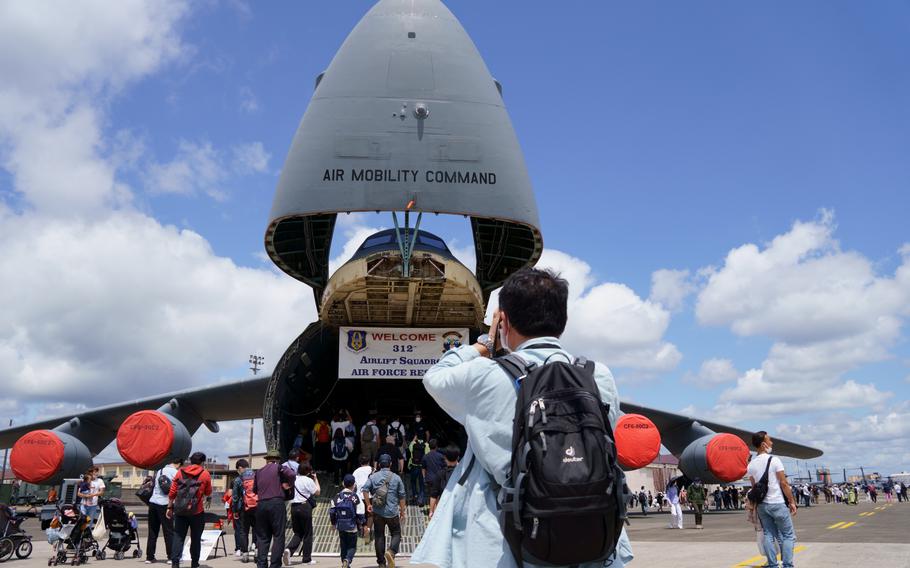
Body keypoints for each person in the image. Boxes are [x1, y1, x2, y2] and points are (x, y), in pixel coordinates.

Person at [412, 267, 633, 567]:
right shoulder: (597, 376)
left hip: (506, 546)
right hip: (594, 540)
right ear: (562, 321)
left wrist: (485, 344)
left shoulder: (485, 376)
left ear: (503, 320)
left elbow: (435, 377)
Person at [748, 431, 798, 568]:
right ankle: (787, 565)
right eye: (770, 440)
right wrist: (792, 501)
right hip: (777, 502)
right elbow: (784, 483)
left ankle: (773, 565)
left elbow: (754, 488)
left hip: (762, 506)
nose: (772, 443)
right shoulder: (774, 460)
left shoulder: (751, 465)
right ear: (763, 444)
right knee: (788, 535)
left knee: (768, 535)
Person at [166, 452, 213, 568]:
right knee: (196, 538)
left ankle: (175, 563)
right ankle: (194, 563)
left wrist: (169, 507)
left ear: (190, 461)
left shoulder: (180, 472)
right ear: (202, 462)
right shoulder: (205, 474)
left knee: (178, 537)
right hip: (197, 511)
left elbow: (172, 492)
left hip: (180, 510)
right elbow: (208, 492)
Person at [362, 454, 407, 568]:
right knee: (396, 533)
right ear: (391, 464)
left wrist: (368, 504)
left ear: (380, 465)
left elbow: (365, 489)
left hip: (378, 512)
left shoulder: (373, 477)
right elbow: (402, 496)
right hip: (392, 512)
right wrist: (402, 511)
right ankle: (391, 552)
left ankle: (381, 563)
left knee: (379, 536)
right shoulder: (396, 478)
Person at [253, 450, 296, 568]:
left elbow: (255, 490)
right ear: (277, 459)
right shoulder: (279, 468)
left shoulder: (259, 471)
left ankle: (261, 564)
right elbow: (292, 475)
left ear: (267, 459)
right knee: (278, 535)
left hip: (261, 504)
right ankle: (275, 564)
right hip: (276, 503)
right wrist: (289, 485)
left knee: (262, 537)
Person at [284, 463, 320, 566]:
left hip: (294, 507)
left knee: (298, 533)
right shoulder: (308, 480)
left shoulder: (293, 479)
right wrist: (315, 479)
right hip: (305, 507)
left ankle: (289, 550)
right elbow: (317, 492)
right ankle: (306, 559)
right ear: (308, 471)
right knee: (308, 534)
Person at [146, 460, 179, 564]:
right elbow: (177, 489)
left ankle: (149, 557)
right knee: (169, 531)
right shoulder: (175, 472)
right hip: (165, 504)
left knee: (152, 531)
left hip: (153, 503)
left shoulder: (159, 471)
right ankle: (170, 557)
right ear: (179, 464)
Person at [330, 474, 366, 568]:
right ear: (354, 485)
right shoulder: (356, 497)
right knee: (352, 546)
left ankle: (344, 563)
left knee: (343, 546)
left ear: (343, 484)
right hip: (352, 526)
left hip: (341, 526)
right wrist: (362, 524)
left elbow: (332, 512)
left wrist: (333, 524)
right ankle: (348, 560)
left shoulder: (337, 497)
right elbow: (360, 514)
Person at [231, 459, 257, 559]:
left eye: (238, 469)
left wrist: (235, 511)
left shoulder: (239, 479)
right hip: (257, 507)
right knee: (258, 529)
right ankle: (257, 550)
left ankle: (245, 553)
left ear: (240, 468)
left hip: (244, 508)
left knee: (243, 531)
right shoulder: (257, 476)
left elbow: (235, 497)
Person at [426, 444, 459, 519]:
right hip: (458, 509)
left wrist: (431, 511)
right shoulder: (462, 473)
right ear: (458, 457)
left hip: (444, 509)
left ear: (445, 458)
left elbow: (434, 495)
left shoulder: (440, 474)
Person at [352, 455, 374, 541]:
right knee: (370, 514)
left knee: (360, 513)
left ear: (360, 462)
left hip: (359, 496)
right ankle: (368, 529)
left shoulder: (356, 471)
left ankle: (362, 528)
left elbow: (354, 485)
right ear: (369, 462)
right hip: (370, 495)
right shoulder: (373, 470)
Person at [406, 435, 430, 506]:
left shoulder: (412, 444)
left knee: (413, 481)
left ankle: (415, 496)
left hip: (414, 466)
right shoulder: (426, 445)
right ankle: (421, 499)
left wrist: (414, 439)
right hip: (422, 467)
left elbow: (410, 451)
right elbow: (427, 455)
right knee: (421, 484)